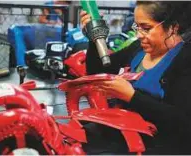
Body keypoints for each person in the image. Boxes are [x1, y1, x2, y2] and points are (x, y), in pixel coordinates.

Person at [80, 1, 191, 154]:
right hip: (121, 137)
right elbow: (97, 72)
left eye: (146, 28)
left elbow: (182, 122)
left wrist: (131, 96)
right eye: (137, 27)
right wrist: (94, 40)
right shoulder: (138, 50)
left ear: (173, 27)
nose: (139, 35)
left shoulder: (185, 60)